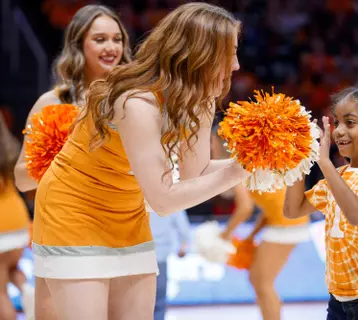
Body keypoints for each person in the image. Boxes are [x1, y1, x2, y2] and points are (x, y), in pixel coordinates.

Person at [31, 2, 248, 319]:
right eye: (230, 53)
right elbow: (163, 200)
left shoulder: (198, 99)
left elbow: (195, 174)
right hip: (74, 213)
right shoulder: (137, 102)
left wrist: (253, 164)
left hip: (128, 214)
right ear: (201, 54)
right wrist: (237, 171)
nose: (236, 65)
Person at [14, 4, 132, 319]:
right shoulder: (52, 102)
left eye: (116, 39)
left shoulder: (133, 100)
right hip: (63, 234)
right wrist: (64, 155)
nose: (112, 47)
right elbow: (22, 178)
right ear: (79, 44)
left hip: (124, 234)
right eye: (100, 39)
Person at [284, 87, 358, 320]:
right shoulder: (338, 176)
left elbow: (357, 214)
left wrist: (325, 163)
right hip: (338, 299)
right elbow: (293, 209)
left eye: (350, 123)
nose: (338, 131)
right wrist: (297, 159)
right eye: (337, 122)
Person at [212, 129, 311, 320]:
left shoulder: (238, 167)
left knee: (262, 282)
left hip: (288, 225)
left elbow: (245, 209)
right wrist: (251, 236)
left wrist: (225, 235)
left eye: (212, 143)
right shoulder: (251, 164)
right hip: (283, 222)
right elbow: (271, 208)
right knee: (258, 280)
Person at [0, 112, 34, 320]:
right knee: (10, 268)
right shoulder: (9, 150)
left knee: (0, 292)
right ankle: (28, 292)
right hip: (19, 225)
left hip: (2, 231)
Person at [149, 209, 190, 320]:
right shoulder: (167, 194)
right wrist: (184, 243)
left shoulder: (136, 194)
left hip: (137, 254)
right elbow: (181, 223)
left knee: (138, 300)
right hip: (159, 254)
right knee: (159, 300)